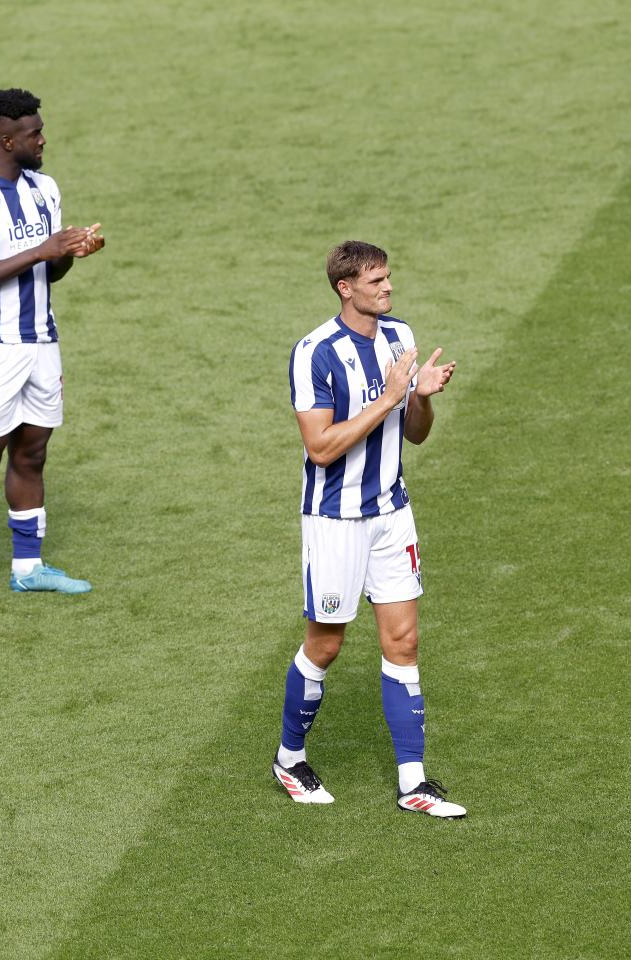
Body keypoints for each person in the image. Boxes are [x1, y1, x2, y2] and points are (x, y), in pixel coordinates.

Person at [272, 241, 467, 819]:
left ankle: (414, 781)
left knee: (403, 642)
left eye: (388, 278)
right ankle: (289, 757)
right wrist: (387, 397)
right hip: (335, 520)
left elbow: (417, 435)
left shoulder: (400, 337)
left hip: (391, 512)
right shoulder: (315, 352)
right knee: (326, 644)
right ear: (345, 287)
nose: (388, 288)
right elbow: (321, 447)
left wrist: (421, 399)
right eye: (377, 281)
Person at [0, 87, 105, 615]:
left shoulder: (45, 189)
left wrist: (72, 252)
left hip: (41, 342)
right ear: (7, 138)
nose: (43, 139)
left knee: (33, 452)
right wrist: (43, 249)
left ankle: (29, 570)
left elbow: (49, 268)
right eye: (34, 133)